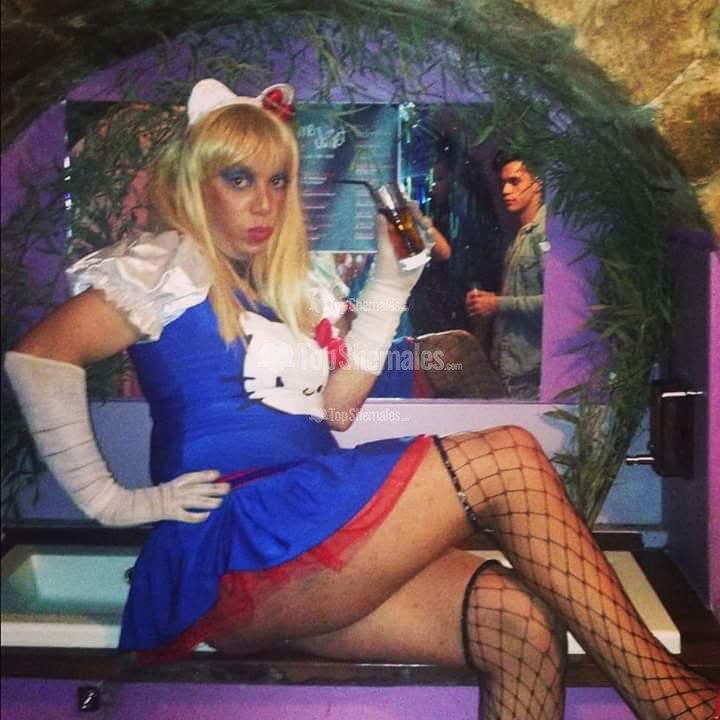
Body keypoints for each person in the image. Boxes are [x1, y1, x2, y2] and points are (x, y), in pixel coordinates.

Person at [4, 78, 717, 720]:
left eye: (278, 180)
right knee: (509, 458)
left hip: (309, 536)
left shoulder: (285, 288)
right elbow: (37, 356)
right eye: (238, 178)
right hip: (237, 540)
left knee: (519, 624)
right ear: (197, 183)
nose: (263, 202)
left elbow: (339, 409)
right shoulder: (165, 270)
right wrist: (114, 502)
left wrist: (390, 282)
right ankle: (671, 700)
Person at [465, 152, 547, 399]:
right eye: (503, 183)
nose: (506, 191)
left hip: (531, 371)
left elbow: (556, 305)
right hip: (512, 366)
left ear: (537, 183)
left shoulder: (545, 234)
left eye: (515, 182)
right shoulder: (523, 233)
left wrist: (497, 304)